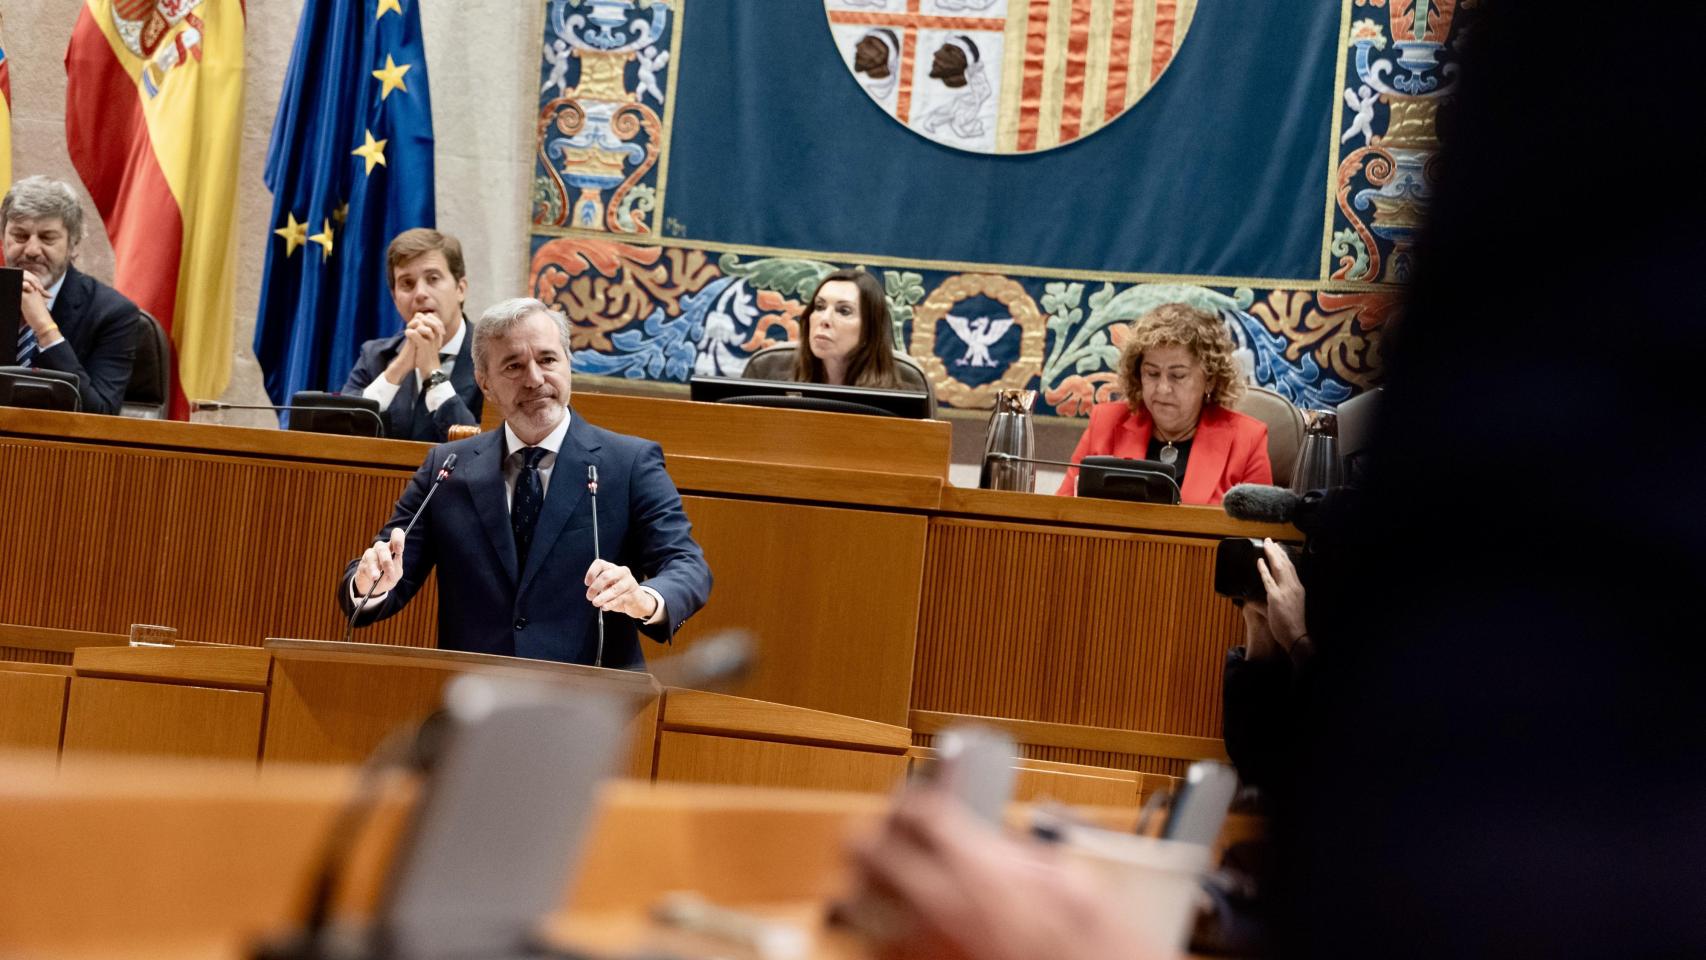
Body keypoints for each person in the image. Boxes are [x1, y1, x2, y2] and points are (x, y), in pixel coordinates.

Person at [338, 297, 711, 667]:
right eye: (514, 366)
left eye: (548, 360)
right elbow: (379, 573)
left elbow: (687, 565)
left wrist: (644, 599)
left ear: (568, 363)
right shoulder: (447, 467)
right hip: (474, 704)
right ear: (485, 383)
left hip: (595, 703)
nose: (535, 379)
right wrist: (369, 584)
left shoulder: (628, 463)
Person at [1055, 302, 1271, 505]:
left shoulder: (1247, 439)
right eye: (1152, 373)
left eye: (1178, 375)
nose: (1162, 388)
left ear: (1210, 380)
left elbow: (1257, 535)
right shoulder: (1105, 423)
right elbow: (1062, 514)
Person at [2, 176, 140, 415]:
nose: (32, 250)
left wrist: (44, 327)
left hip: (62, 449)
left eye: (47, 238)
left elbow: (101, 415)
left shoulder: (113, 313)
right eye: (20, 236)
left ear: (73, 245)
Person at [340, 228, 483, 442]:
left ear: (460, 289)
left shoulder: (491, 360)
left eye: (433, 279)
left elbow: (482, 449)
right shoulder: (375, 356)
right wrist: (399, 367)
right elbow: (338, 433)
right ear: (395, 298)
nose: (420, 294)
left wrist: (433, 374)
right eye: (407, 283)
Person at [789, 268, 906, 388]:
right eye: (819, 307)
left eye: (844, 311)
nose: (825, 319)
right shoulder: (775, 371)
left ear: (869, 329)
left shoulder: (902, 397)